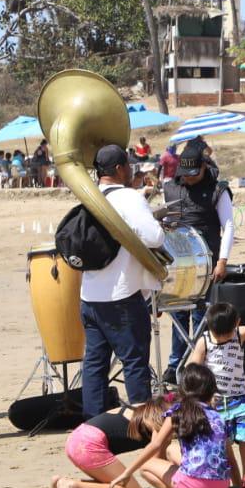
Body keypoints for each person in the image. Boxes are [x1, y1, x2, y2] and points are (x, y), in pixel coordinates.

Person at [79, 144, 166, 419]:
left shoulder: (87, 195)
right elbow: (155, 237)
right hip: (121, 295)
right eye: (128, 165)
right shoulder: (128, 197)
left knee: (94, 364)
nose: (130, 170)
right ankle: (142, 424)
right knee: (134, 361)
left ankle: (93, 426)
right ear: (119, 169)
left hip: (90, 295)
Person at [111, 364, 231, 488]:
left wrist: (127, 473)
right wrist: (238, 486)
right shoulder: (219, 416)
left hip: (196, 486)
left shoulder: (178, 411)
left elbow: (155, 444)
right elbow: (230, 457)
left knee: (146, 466)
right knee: (173, 451)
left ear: (184, 388)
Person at [161, 139, 235, 385]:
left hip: (207, 264)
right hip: (178, 266)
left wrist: (222, 260)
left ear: (204, 167)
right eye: (186, 174)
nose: (190, 179)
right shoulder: (171, 188)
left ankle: (202, 365)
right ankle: (176, 365)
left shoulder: (217, 190)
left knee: (203, 315)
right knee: (178, 314)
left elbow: (229, 225)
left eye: (195, 174)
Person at [190, 302, 245, 488]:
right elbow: (193, 368)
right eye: (218, 334)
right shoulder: (204, 341)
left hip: (239, 396)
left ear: (236, 323)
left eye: (226, 334)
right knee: (221, 440)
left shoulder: (240, 333)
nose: (222, 338)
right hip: (215, 401)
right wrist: (203, 394)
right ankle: (223, 474)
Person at [50, 397, 169, 488]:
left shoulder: (148, 407)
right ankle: (73, 487)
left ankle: (61, 483)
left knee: (116, 483)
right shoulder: (163, 419)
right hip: (89, 445)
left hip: (75, 439)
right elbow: (156, 462)